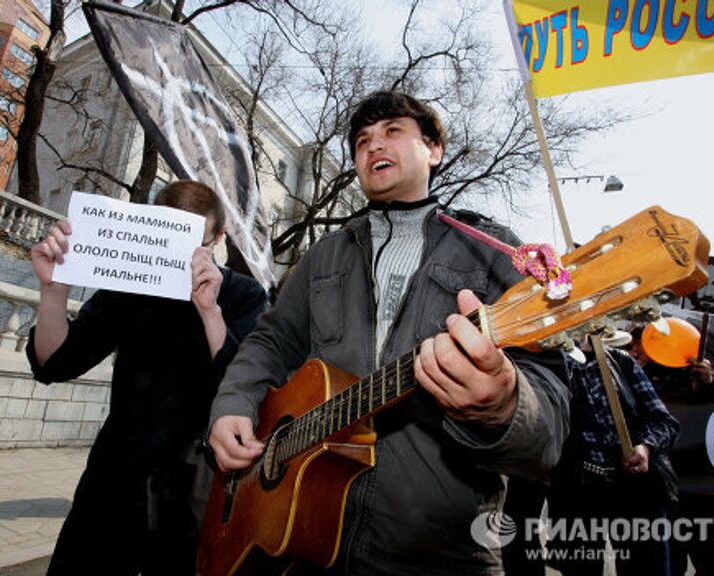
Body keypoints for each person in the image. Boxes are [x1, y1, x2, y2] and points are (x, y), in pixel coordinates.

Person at [208, 90, 570, 575]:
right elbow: (269, 341)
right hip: (304, 548)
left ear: (434, 150)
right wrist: (234, 403)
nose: (374, 146)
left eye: (393, 131)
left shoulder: (495, 251)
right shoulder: (324, 255)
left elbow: (551, 422)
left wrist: (505, 405)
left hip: (441, 556)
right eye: (362, 141)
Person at [27, 180, 267, 575]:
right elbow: (55, 363)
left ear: (218, 238)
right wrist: (52, 292)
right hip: (112, 484)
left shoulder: (243, 294)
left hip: (193, 495)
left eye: (192, 243)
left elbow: (244, 382)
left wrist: (209, 310)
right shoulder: (130, 287)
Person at [546, 338, 680, 576]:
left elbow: (664, 421)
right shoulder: (551, 368)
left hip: (634, 489)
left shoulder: (621, 363)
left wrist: (645, 447)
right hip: (578, 492)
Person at [629, 326, 714, 576]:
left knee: (710, 559)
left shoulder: (701, 374)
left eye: (636, 346)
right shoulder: (642, 376)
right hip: (668, 484)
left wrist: (709, 382)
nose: (633, 351)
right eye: (632, 346)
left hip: (706, 488)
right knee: (672, 559)